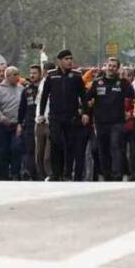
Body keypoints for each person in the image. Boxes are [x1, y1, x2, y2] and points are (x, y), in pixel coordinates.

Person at [39, 50, 89, 181]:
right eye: (66, 59)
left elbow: (83, 96)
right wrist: (41, 114)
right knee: (56, 143)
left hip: (71, 117)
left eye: (71, 59)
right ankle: (56, 173)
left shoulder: (77, 76)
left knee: (70, 145)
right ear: (59, 61)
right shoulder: (51, 76)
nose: (69, 61)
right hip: (55, 117)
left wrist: (85, 112)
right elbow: (44, 96)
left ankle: (67, 173)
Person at [85, 57, 134, 181]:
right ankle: (106, 175)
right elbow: (86, 98)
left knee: (115, 146)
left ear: (117, 69)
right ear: (105, 66)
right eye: (109, 65)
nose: (111, 68)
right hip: (101, 122)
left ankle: (117, 174)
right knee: (103, 149)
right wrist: (88, 107)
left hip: (117, 122)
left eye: (114, 66)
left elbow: (133, 98)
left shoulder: (123, 83)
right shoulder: (97, 83)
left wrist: (129, 112)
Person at [0, 66, 25, 180]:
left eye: (18, 74)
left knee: (16, 148)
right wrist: (1, 117)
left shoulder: (21, 88)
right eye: (15, 74)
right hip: (3, 125)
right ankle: (4, 175)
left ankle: (15, 173)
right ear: (8, 76)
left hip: (17, 125)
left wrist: (22, 121)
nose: (17, 77)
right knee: (3, 150)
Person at [17, 65, 42, 180]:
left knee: (40, 150)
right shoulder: (26, 90)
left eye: (35, 73)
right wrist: (19, 124)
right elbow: (22, 109)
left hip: (42, 123)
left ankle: (41, 174)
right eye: (31, 73)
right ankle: (29, 173)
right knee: (29, 149)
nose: (32, 75)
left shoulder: (44, 88)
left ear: (40, 74)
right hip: (29, 124)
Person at [34, 61, 57, 180]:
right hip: (39, 122)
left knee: (47, 155)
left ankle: (50, 174)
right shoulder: (42, 82)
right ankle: (42, 176)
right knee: (38, 154)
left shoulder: (54, 84)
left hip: (50, 122)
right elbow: (39, 102)